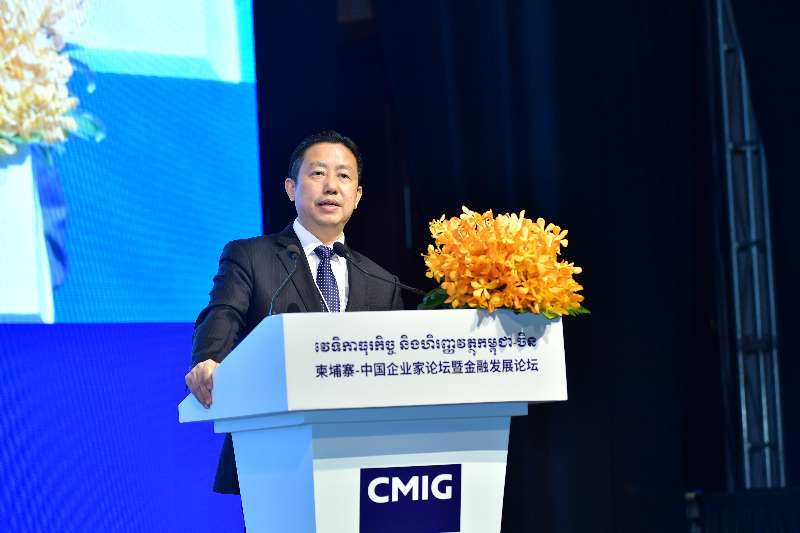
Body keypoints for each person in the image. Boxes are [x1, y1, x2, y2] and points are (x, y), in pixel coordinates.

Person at [185, 130, 404, 494]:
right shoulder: (251, 256)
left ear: (357, 196)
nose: (331, 186)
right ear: (291, 188)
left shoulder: (382, 281)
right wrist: (209, 360)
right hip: (273, 455)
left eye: (344, 176)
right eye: (317, 173)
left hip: (363, 461)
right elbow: (223, 314)